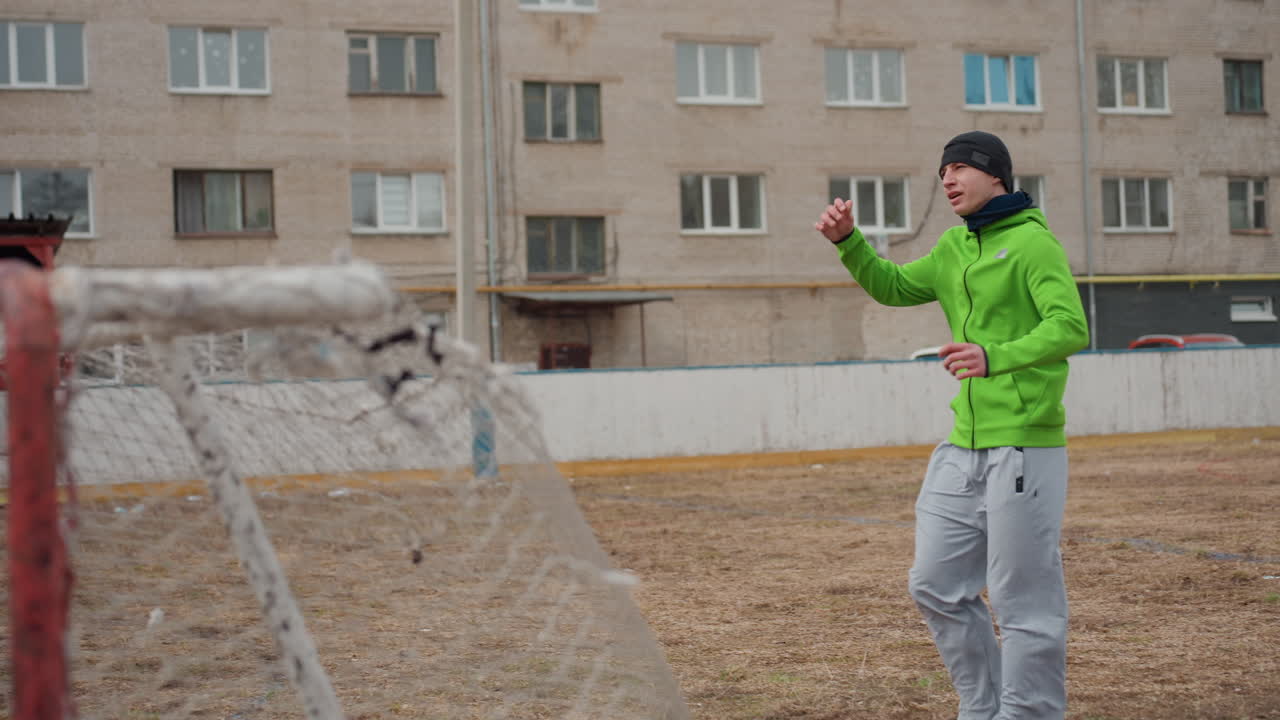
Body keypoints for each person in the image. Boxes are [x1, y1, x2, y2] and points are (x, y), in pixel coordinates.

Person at [814, 130, 1090, 720]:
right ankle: (983, 707)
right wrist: (849, 243)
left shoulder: (1033, 245)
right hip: (961, 447)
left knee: (1024, 606)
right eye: (944, 170)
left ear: (997, 177)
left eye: (962, 167)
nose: (948, 179)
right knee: (935, 585)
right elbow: (892, 287)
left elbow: (1071, 327)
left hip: (1023, 445)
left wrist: (997, 356)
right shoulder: (952, 248)